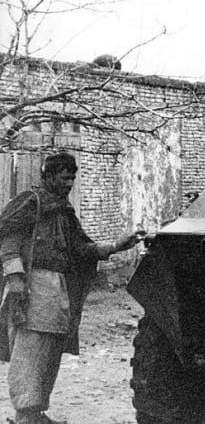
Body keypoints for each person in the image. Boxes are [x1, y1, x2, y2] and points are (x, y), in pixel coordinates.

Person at [0, 152, 143, 424]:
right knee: (31, 348)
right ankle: (24, 414)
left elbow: (79, 250)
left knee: (51, 349)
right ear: (49, 176)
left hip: (59, 289)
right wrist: (15, 281)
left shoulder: (64, 211)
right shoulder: (31, 202)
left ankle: (37, 411)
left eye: (72, 178)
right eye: (64, 178)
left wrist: (115, 247)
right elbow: (8, 240)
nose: (69, 184)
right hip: (33, 286)